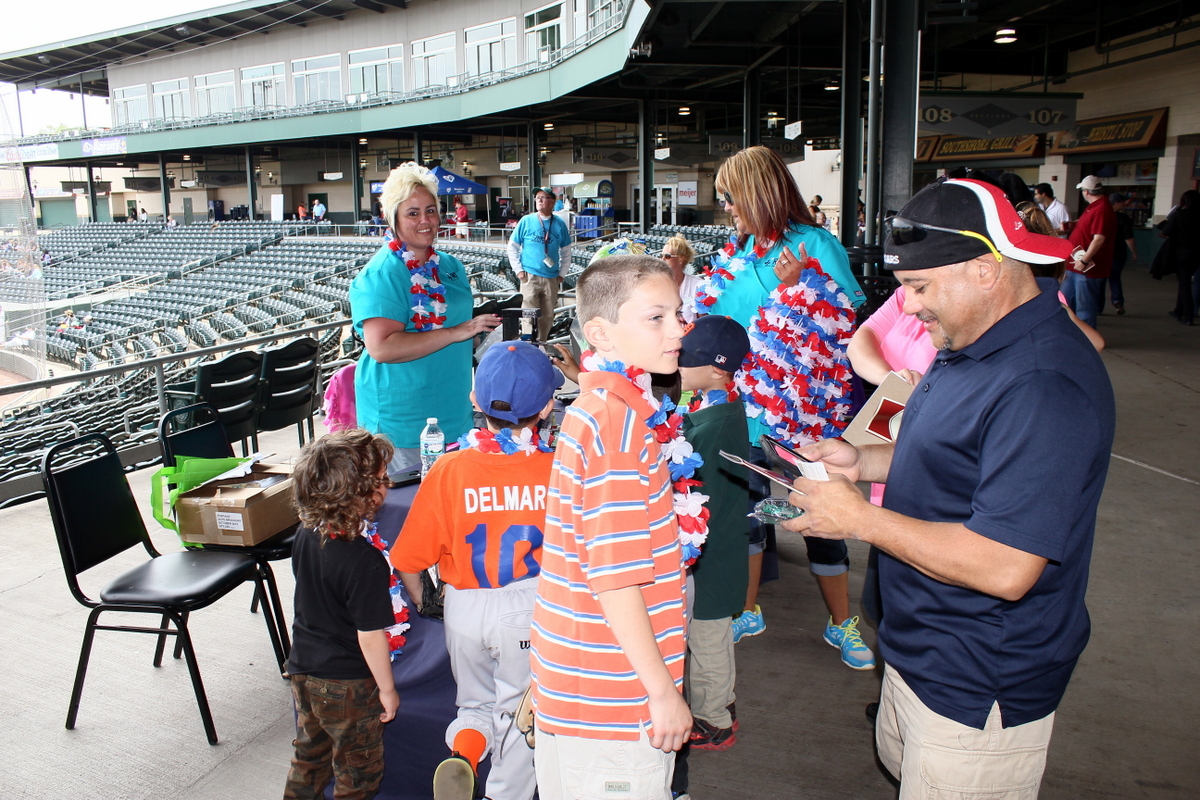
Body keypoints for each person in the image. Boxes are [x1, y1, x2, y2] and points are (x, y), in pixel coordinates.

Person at [785, 177, 1114, 799]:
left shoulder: (1042, 384)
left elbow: (1006, 565)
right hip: (921, 648)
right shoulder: (973, 344)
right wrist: (862, 462)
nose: (906, 308)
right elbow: (949, 454)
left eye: (918, 288)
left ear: (987, 271)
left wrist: (859, 520)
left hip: (976, 676)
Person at [696, 145, 871, 671]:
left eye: (731, 196)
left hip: (803, 416)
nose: (726, 206)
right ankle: (748, 609)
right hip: (741, 409)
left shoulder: (814, 243)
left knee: (820, 513)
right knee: (749, 516)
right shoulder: (738, 251)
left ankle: (841, 623)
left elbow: (843, 321)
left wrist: (799, 287)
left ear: (758, 193)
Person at [529, 255, 692, 800]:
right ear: (600, 333)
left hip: (581, 683)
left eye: (679, 312)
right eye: (656, 317)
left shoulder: (601, 409)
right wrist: (663, 692)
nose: (679, 328)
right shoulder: (618, 429)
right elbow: (616, 579)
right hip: (613, 702)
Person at [392, 341, 561, 800]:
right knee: (524, 716)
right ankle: (502, 793)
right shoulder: (559, 469)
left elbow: (408, 560)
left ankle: (466, 755)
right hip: (529, 604)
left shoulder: (447, 468)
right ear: (548, 407)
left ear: (473, 400)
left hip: (463, 605)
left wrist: (431, 602)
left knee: (475, 703)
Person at [350, 163, 501, 471]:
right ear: (391, 218)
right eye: (413, 213)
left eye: (430, 210)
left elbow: (458, 324)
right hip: (404, 422)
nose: (425, 221)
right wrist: (457, 332)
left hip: (453, 407)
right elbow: (382, 348)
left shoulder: (451, 266)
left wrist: (483, 335)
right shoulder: (382, 274)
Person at [284, 429, 401, 800]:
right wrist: (387, 689)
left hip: (303, 668)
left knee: (309, 756)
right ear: (358, 496)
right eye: (382, 480)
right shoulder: (364, 562)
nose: (390, 483)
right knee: (357, 773)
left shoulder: (305, 531)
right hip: (348, 684)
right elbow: (370, 636)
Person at [677, 315, 752, 752]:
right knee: (711, 639)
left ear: (719, 368)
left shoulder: (719, 423)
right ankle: (719, 700)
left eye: (690, 359)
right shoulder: (712, 405)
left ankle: (714, 717)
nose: (680, 364)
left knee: (709, 641)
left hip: (713, 557)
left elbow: (701, 496)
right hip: (713, 553)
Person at [507, 187, 572, 341]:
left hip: (551, 277)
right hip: (530, 275)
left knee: (548, 314)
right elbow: (512, 247)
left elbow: (566, 251)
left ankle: (542, 343)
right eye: (537, 198)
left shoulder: (560, 224)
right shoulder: (526, 220)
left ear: (553, 201)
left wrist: (562, 273)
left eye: (544, 197)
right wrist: (518, 270)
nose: (540, 201)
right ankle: (527, 340)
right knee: (528, 310)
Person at [1064, 175, 1116, 329]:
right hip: (1076, 264)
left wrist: (1085, 260)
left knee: (1084, 308)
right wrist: (1072, 225)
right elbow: (1086, 224)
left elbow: (1099, 239)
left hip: (1086, 268)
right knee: (1065, 302)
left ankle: (1087, 340)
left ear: (1086, 192)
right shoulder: (1094, 206)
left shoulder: (1101, 209)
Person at [1160, 189, 1200, 326]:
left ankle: (1188, 316)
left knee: (1184, 284)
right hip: (1197, 254)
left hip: (1181, 254)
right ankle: (1178, 310)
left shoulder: (1179, 215)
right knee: (1185, 282)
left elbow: (1166, 232)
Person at [1106, 193, 1138, 315]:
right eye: (1122, 202)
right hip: (1118, 254)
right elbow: (1128, 238)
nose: (1124, 205)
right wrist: (1134, 252)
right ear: (1116, 203)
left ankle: (1097, 307)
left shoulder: (1102, 216)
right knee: (1115, 279)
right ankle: (1117, 301)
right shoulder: (1123, 218)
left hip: (1102, 254)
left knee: (1100, 281)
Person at [661, 234, 702, 323]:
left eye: (667, 256)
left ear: (681, 259)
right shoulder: (657, 285)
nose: (663, 259)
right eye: (662, 255)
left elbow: (703, 322)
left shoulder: (698, 285)